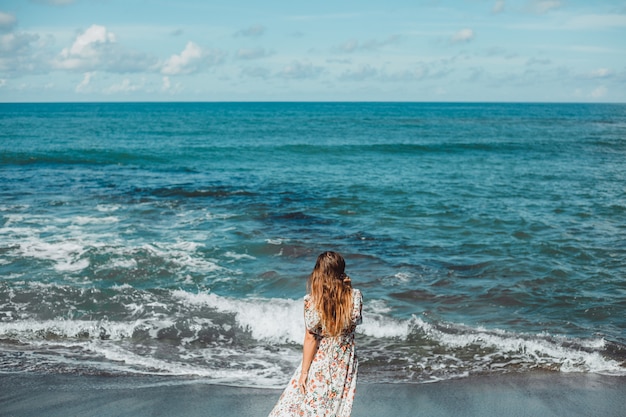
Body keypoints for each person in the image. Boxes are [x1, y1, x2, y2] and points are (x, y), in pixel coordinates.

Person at [269, 251, 363, 417]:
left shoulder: (312, 301)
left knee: (304, 406)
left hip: (321, 360)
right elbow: (354, 320)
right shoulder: (355, 297)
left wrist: (304, 372)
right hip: (344, 361)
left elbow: (311, 338)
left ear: (319, 273)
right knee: (334, 409)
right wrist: (348, 287)